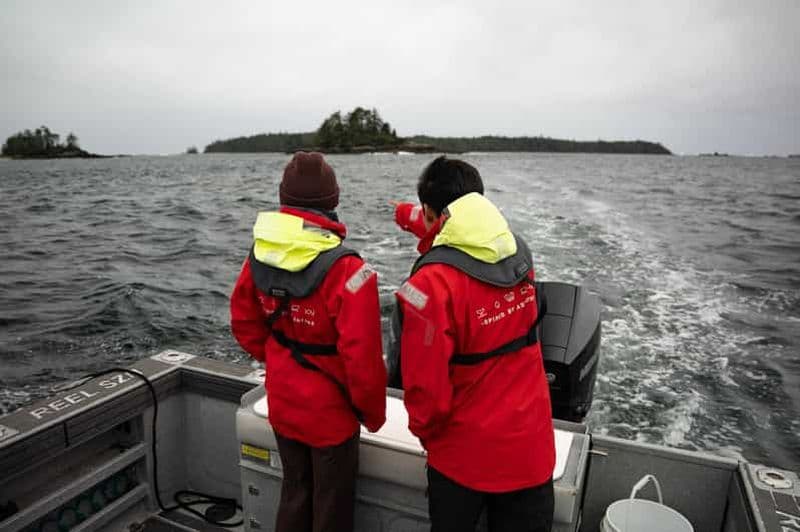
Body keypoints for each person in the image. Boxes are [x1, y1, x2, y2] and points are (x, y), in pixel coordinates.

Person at [392, 156, 555, 532]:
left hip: (461, 463)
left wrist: (424, 433)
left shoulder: (428, 287)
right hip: (531, 449)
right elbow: (447, 227)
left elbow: (425, 395)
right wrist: (405, 214)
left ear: (433, 213)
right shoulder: (518, 254)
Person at [231, 151, 387, 532]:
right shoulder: (352, 271)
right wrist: (374, 415)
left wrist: (280, 359)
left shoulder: (259, 254)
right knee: (331, 507)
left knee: (295, 490)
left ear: (284, 198)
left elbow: (243, 322)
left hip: (283, 402)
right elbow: (363, 359)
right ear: (332, 200)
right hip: (331, 417)